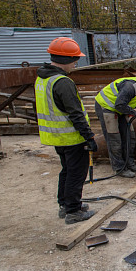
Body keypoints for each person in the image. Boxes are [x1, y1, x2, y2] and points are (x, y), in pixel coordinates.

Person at [35, 37, 98, 224]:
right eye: (74, 59)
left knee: (67, 170)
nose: (76, 63)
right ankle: (73, 211)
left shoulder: (42, 78)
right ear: (66, 60)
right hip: (71, 138)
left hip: (56, 137)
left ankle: (65, 205)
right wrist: (89, 137)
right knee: (76, 173)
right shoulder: (62, 82)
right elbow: (76, 114)